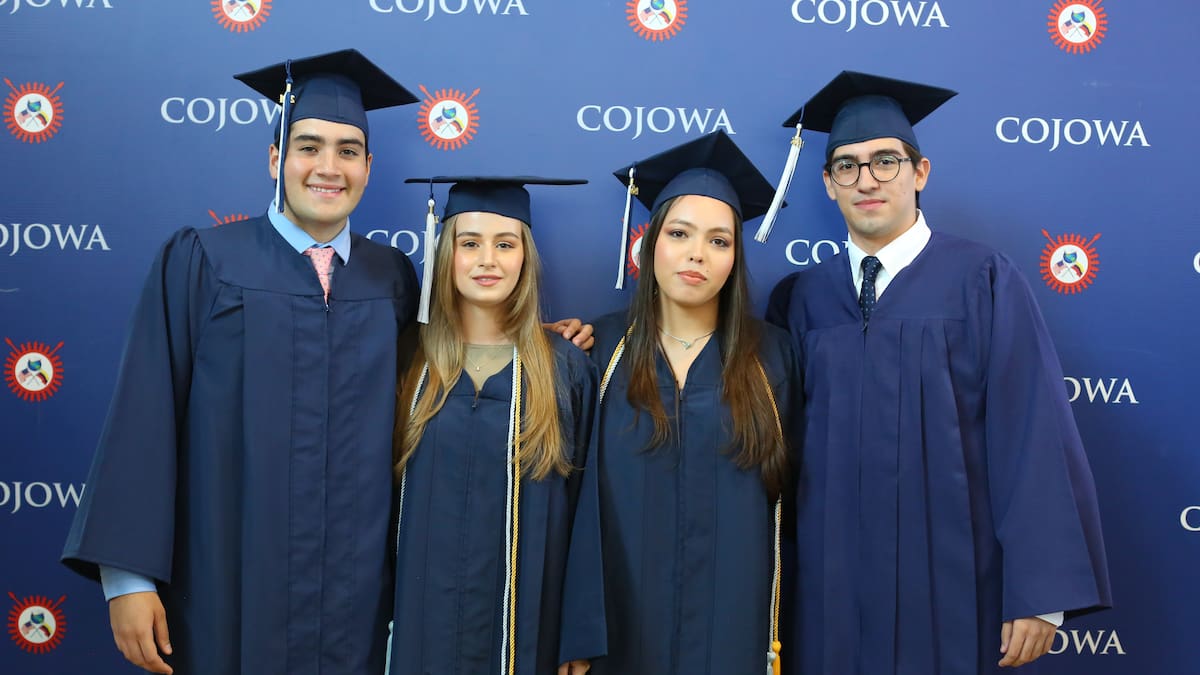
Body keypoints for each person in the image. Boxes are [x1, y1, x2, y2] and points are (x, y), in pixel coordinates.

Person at [59, 51, 593, 675]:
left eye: (348, 150)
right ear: (274, 159)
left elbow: (451, 357)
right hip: (228, 581)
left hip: (354, 600)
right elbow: (143, 418)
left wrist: (539, 340)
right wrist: (129, 579)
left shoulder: (389, 278)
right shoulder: (205, 262)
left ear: (369, 166)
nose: (328, 167)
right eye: (308, 146)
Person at [763, 71, 1112, 674]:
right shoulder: (800, 299)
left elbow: (1031, 430)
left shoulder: (982, 279)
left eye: (885, 161)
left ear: (920, 173)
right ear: (827, 183)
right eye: (847, 165)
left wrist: (1041, 593)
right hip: (829, 590)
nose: (866, 179)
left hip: (953, 585)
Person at [588, 130, 795, 674]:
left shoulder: (774, 358)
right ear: (649, 241)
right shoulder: (597, 352)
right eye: (679, 233)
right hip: (617, 630)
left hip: (736, 628)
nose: (697, 254)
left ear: (734, 258)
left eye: (720, 241)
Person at [388, 177, 606, 675]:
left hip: (528, 626)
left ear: (525, 258)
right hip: (421, 623)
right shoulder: (409, 361)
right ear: (446, 256)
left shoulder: (565, 368)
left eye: (505, 244)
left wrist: (580, 632)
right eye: (470, 244)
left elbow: (587, 508)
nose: (488, 260)